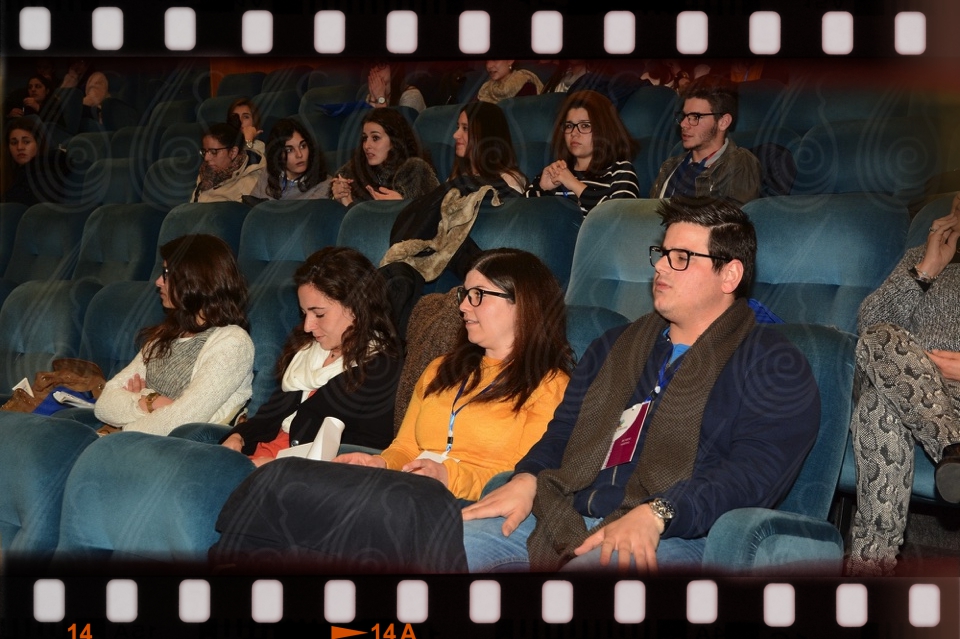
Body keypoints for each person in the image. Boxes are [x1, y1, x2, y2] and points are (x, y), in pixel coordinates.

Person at [462, 196, 820, 573]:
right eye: (662, 254)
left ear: (729, 275)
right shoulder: (614, 346)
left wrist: (660, 511)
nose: (661, 266)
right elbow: (563, 432)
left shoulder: (773, 364)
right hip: (567, 512)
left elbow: (753, 473)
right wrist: (529, 476)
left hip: (682, 532)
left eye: (681, 257)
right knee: (451, 549)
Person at [336, 248, 573, 501]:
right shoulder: (439, 369)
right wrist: (381, 464)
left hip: (477, 503)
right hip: (413, 490)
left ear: (522, 303)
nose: (462, 306)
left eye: (478, 294)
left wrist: (449, 477)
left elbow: (521, 475)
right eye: (465, 293)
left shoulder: (550, 385)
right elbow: (405, 447)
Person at [846, 192, 960, 577]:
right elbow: (869, 326)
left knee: (878, 404)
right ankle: (952, 446)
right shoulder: (920, 256)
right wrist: (927, 268)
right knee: (879, 344)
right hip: (908, 386)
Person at [220, 247, 401, 464]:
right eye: (304, 313)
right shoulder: (307, 350)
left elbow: (364, 454)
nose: (307, 326)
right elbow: (266, 418)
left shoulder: (382, 370)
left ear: (356, 308)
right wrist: (238, 436)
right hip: (259, 457)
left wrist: (280, 465)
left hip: (301, 471)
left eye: (319, 314)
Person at [379, 101, 527, 335]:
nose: (456, 135)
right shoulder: (456, 180)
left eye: (465, 129)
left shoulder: (508, 181)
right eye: (458, 127)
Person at [95, 234, 255, 436]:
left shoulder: (233, 342)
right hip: (143, 443)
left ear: (196, 278)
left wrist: (127, 420)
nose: (158, 282)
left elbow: (183, 422)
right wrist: (151, 401)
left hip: (182, 449)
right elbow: (104, 405)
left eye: (167, 274)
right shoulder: (165, 334)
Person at [649, 76, 761, 206]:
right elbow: (649, 214)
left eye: (695, 117)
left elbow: (729, 217)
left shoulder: (740, 163)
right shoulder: (670, 166)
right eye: (684, 116)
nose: (684, 124)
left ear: (723, 122)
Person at [525, 90, 640, 215]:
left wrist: (573, 184)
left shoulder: (621, 172)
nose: (574, 133)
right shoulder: (554, 172)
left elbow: (620, 218)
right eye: (569, 126)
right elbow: (517, 218)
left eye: (585, 126)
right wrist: (542, 188)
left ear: (604, 129)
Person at [329, 109, 438, 207]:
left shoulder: (415, 170)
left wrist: (403, 204)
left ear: (394, 141)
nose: (366, 145)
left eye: (375, 138)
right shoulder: (350, 173)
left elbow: (431, 213)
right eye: (364, 138)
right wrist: (339, 199)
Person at [246, 118, 332, 201]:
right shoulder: (268, 173)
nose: (299, 155)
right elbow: (251, 206)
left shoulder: (324, 185)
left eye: (303, 146)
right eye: (289, 150)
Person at [190, 122, 266, 203]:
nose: (206, 158)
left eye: (213, 152)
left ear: (233, 152)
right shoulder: (205, 174)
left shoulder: (251, 183)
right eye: (204, 151)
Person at [1, 117, 67, 205]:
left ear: (38, 143)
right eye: (14, 143)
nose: (19, 147)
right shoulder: (9, 175)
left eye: (26, 142)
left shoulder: (46, 175)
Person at [476, 60, 542, 104]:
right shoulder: (485, 89)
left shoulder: (526, 87)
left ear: (510, 61)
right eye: (487, 61)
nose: (489, 66)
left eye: (495, 60)